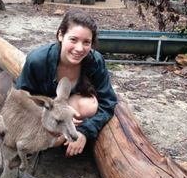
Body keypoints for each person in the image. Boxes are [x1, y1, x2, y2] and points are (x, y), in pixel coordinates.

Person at [16, 9, 117, 157]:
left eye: (86, 42)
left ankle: (71, 135)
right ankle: (53, 140)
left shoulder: (95, 61)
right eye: (73, 40)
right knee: (50, 139)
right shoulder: (37, 61)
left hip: (71, 110)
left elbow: (108, 102)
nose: (79, 48)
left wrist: (85, 131)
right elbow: (20, 100)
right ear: (61, 35)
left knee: (89, 104)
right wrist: (52, 117)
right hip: (46, 116)